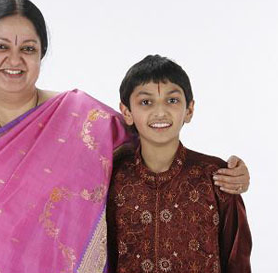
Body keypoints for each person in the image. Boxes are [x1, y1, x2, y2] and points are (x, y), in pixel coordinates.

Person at [0, 0, 251, 273]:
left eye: (29, 48)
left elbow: (156, 144)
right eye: (0, 46)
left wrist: (226, 174)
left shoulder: (82, 116)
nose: (14, 59)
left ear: (41, 56)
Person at [106, 54, 252, 273]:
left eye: (172, 100)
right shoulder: (112, 178)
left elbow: (237, 259)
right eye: (146, 102)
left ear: (189, 109)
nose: (160, 112)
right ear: (127, 112)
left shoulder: (217, 177)